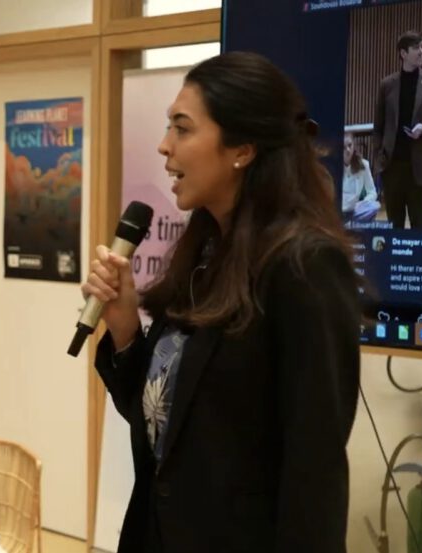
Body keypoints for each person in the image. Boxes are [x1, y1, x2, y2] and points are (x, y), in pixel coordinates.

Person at [82, 52, 360, 553]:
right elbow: (164, 425)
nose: (164, 146)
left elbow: (314, 472)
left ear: (243, 150)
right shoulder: (204, 252)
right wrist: (124, 327)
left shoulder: (305, 267)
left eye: (182, 128)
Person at [372, 30, 422, 229]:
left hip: (418, 168)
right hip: (392, 167)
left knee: (419, 226)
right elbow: (378, 127)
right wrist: (379, 158)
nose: (421, 51)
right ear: (403, 53)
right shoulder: (387, 85)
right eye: (416, 48)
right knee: (394, 225)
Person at [342, 134, 379, 221]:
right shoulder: (332, 165)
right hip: (338, 212)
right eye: (343, 147)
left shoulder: (364, 165)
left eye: (350, 145)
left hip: (356, 211)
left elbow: (372, 192)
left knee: (375, 205)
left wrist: (363, 203)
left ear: (354, 145)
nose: (348, 150)